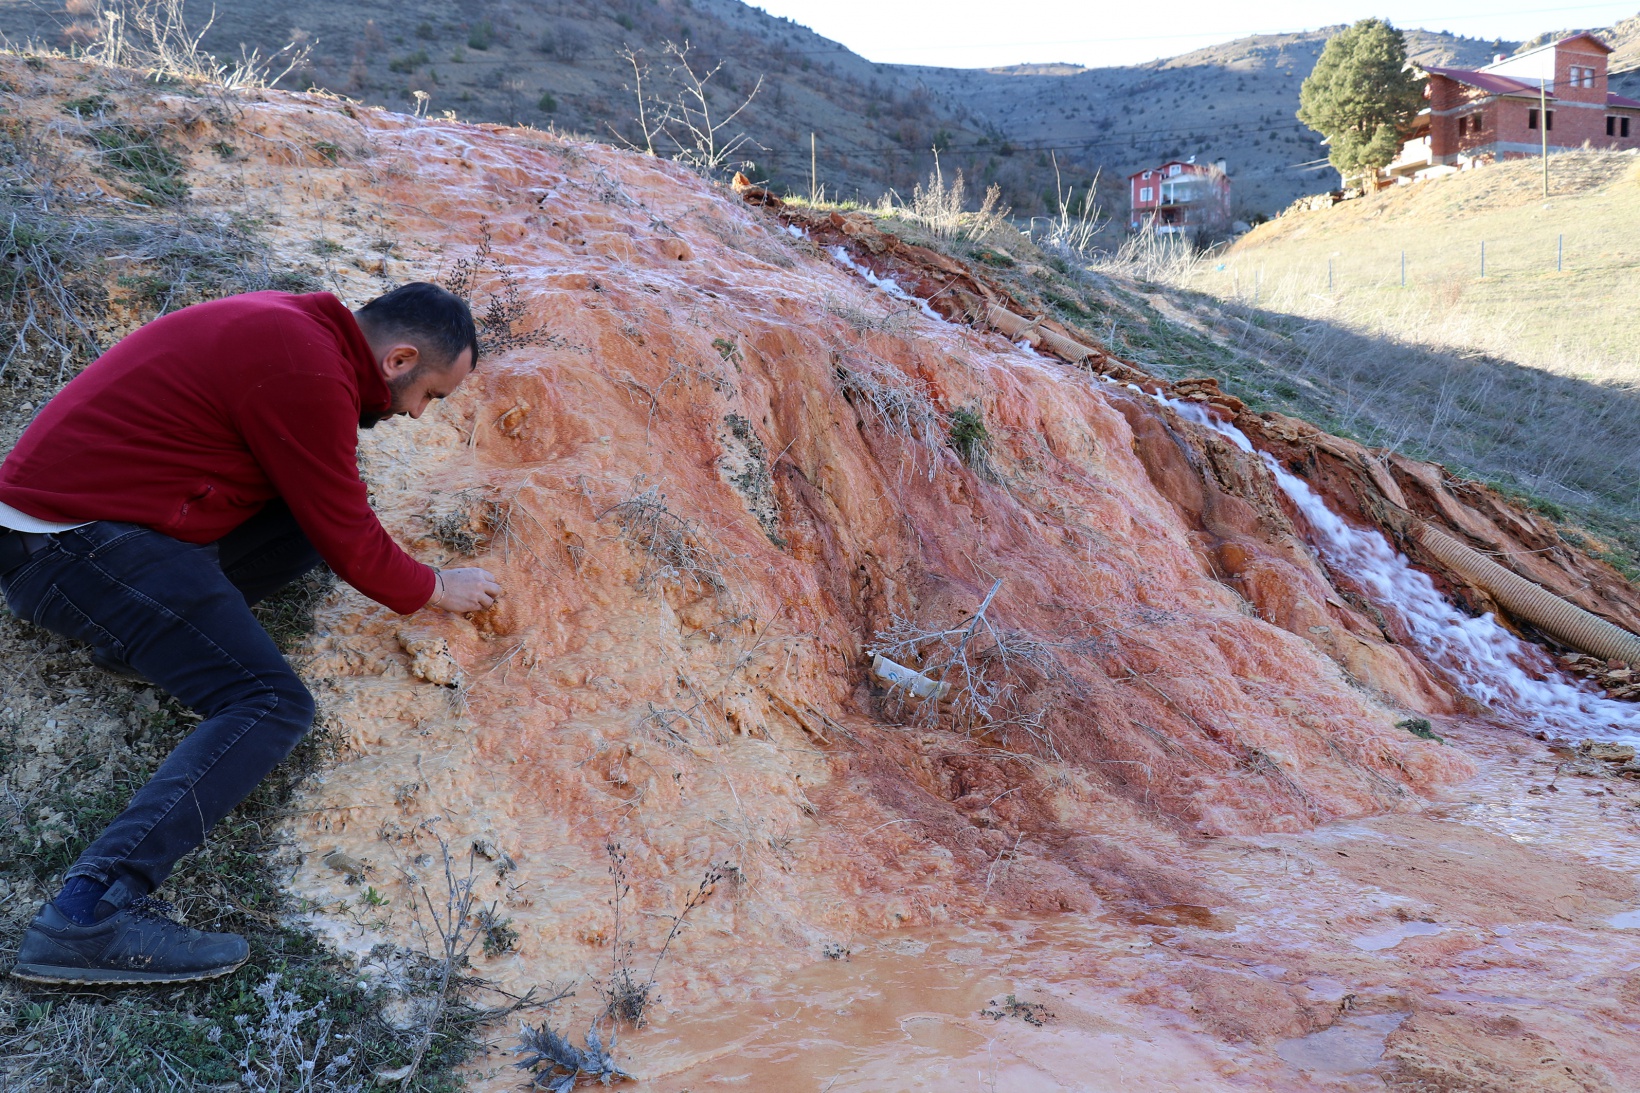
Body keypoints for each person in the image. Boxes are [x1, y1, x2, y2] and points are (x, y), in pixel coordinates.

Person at [0, 282, 502, 984]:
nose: (417, 414)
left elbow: (331, 516)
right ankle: (86, 917)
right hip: (67, 543)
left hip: (89, 525)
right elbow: (355, 540)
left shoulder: (301, 334)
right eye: (430, 395)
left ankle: (149, 641)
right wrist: (437, 586)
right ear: (400, 359)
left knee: (299, 527)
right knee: (272, 703)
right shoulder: (306, 369)